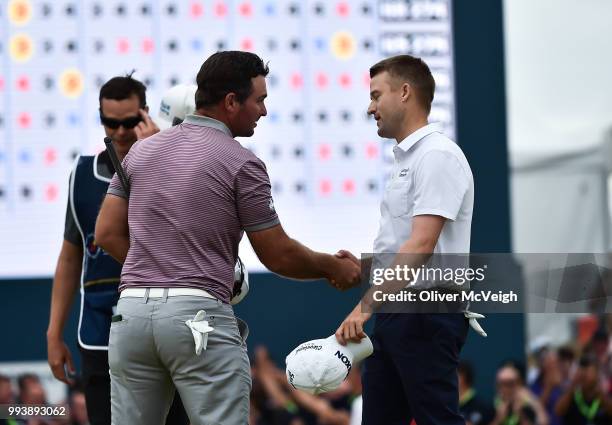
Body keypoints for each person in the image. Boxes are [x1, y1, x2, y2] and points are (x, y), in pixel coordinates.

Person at [95, 51, 360, 425]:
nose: (264, 111)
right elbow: (277, 254)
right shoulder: (242, 162)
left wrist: (158, 267)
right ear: (231, 102)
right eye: (260, 100)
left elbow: (106, 232)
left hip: (131, 317)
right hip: (197, 319)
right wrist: (332, 266)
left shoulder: (141, 150)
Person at [333, 54, 475, 424]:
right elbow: (409, 244)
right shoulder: (411, 160)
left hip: (426, 311)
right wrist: (366, 266)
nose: (370, 107)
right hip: (400, 311)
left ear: (406, 92)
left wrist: (363, 309)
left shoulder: (437, 155)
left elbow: (422, 246)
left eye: (376, 95)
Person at [46, 74, 188, 425]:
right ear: (100, 119)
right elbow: (70, 256)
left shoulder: (177, 166)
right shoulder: (82, 175)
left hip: (164, 324)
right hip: (100, 328)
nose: (121, 132)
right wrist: (53, 333)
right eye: (111, 123)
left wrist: (158, 159)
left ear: (146, 115)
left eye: (129, 122)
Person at [555, 352, 612, 425]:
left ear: (597, 373)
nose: (584, 376)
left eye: (589, 371)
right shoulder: (573, 394)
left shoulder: (604, 393)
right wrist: (574, 385)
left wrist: (600, 393)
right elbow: (558, 412)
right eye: (582, 371)